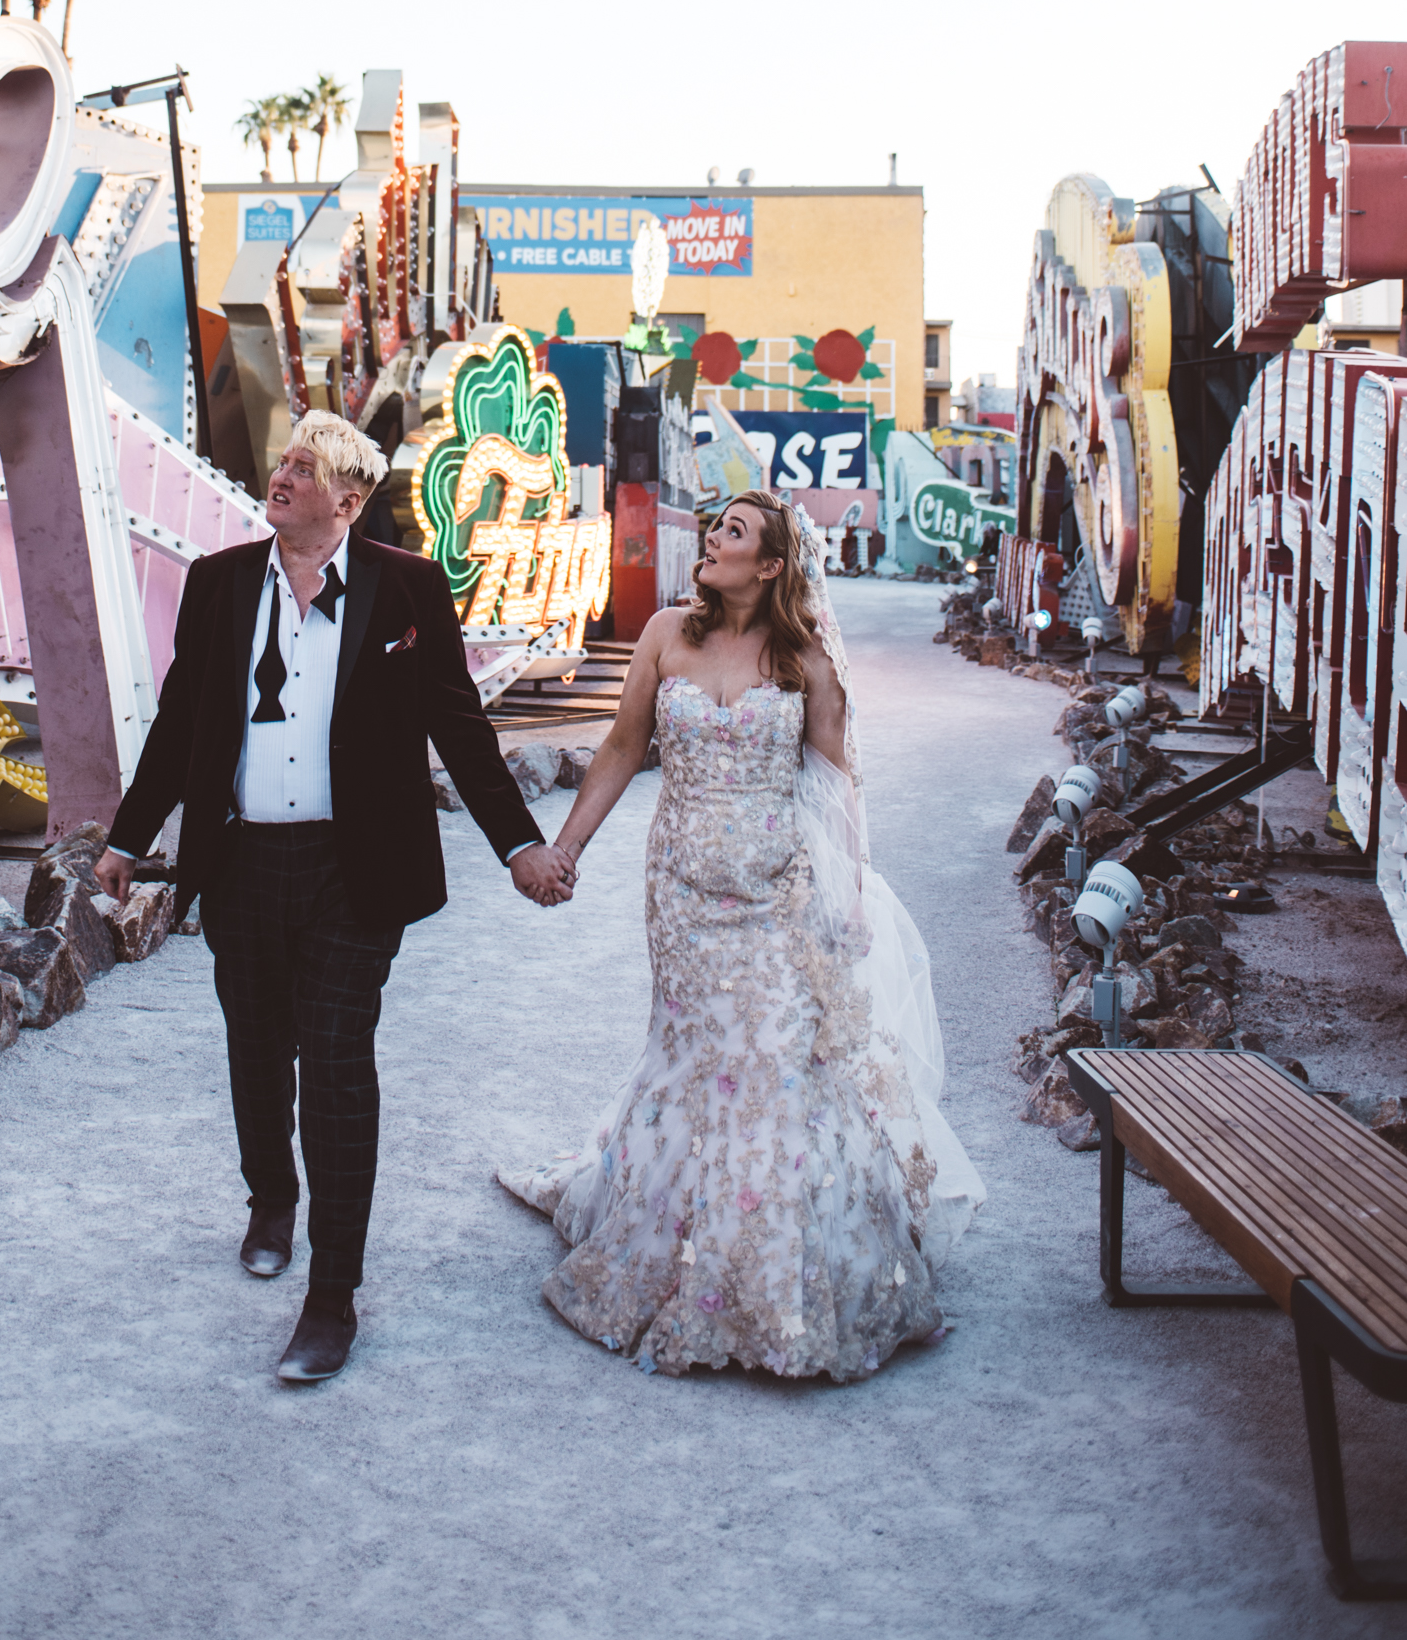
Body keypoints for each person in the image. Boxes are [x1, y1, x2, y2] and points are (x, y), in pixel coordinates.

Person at [97, 409, 572, 1385]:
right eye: (282, 463)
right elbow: (184, 717)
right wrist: (127, 835)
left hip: (354, 875)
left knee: (339, 1057)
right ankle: (271, 1197)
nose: (280, 477)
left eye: (303, 469)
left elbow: (457, 726)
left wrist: (518, 843)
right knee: (257, 1047)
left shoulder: (405, 589)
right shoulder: (220, 584)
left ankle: (331, 1296)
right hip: (240, 864)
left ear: (347, 500)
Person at [499, 489, 983, 1380]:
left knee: (773, 1059)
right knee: (695, 1055)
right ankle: (679, 1246)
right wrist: (565, 848)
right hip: (680, 890)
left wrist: (851, 899)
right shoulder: (664, 635)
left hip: (777, 893)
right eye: (714, 525)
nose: (711, 538)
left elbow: (841, 785)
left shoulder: (805, 657)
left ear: (769, 565)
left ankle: (774, 1276)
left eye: (732, 531)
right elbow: (618, 746)